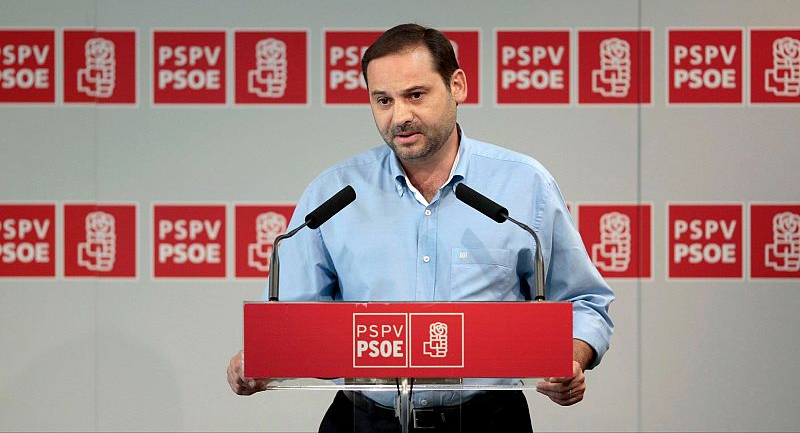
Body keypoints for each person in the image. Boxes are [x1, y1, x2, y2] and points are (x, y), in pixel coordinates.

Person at [227, 23, 614, 432]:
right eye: (383, 100)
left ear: (457, 86)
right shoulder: (334, 193)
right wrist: (262, 358)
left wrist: (572, 358)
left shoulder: (524, 184)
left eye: (415, 95)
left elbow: (584, 300)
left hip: (486, 419)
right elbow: (293, 320)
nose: (400, 116)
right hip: (365, 420)